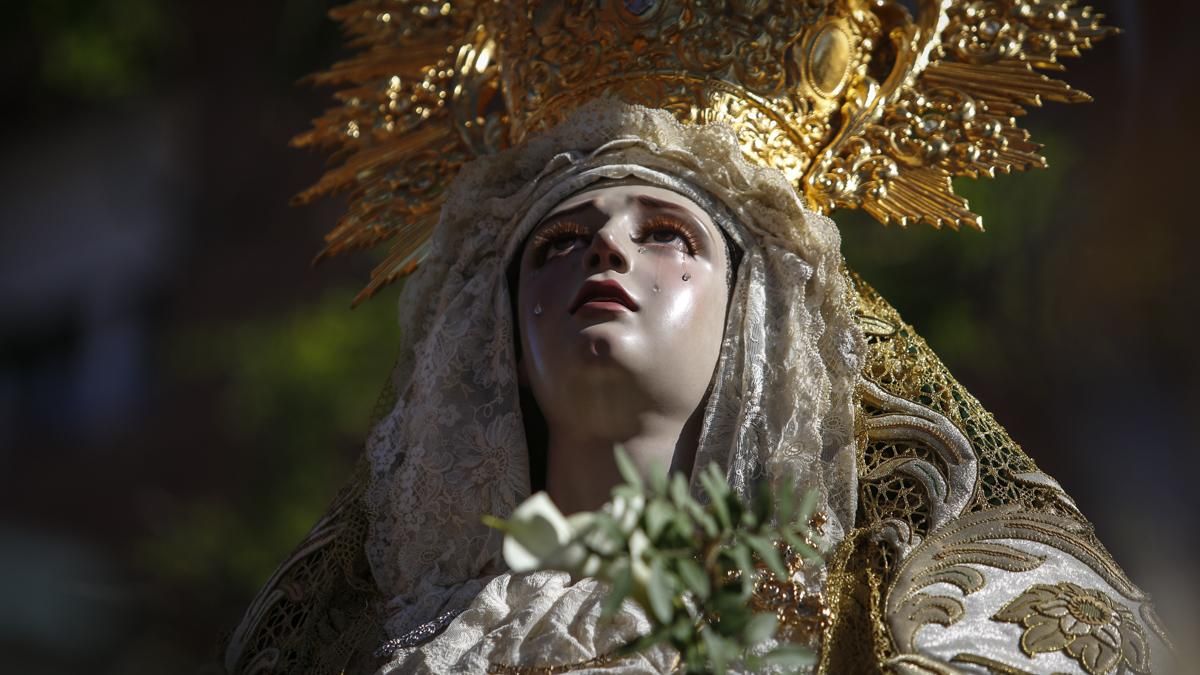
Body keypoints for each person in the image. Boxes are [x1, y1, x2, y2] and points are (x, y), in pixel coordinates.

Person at [224, 3, 1173, 674]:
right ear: (496, 328)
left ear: (758, 315)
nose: (605, 248)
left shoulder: (910, 626)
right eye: (557, 242)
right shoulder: (393, 641)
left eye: (667, 234)